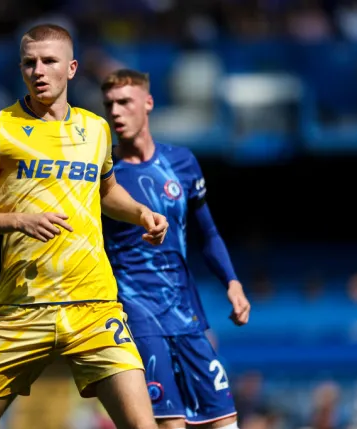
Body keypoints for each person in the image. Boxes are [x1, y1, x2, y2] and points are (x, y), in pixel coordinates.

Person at [0, 25, 168, 429]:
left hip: (94, 307)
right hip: (21, 308)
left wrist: (141, 213)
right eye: (29, 63)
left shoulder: (96, 130)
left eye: (49, 61)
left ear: (71, 68)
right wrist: (17, 219)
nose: (38, 70)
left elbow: (105, 192)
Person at [100, 69, 251, 429]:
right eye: (109, 105)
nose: (116, 112)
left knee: (226, 423)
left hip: (185, 310)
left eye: (125, 102)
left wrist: (231, 281)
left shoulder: (181, 162)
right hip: (136, 312)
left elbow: (208, 232)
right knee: (170, 424)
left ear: (148, 103)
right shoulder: (102, 173)